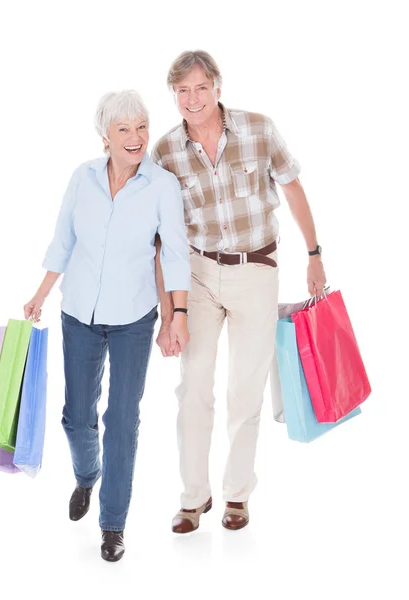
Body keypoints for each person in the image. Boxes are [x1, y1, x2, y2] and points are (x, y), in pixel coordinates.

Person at [152, 50, 327, 533]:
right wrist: (169, 313)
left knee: (244, 391)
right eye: (182, 91)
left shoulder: (259, 129)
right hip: (200, 274)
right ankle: (193, 497)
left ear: (218, 87)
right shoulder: (165, 152)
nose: (192, 99)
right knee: (193, 387)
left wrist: (314, 253)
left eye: (200, 88)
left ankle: (236, 495)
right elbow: (162, 237)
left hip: (257, 270)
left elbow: (293, 188)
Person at [24, 90, 191, 561]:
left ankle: (113, 523)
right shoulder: (83, 177)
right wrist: (40, 294)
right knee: (77, 418)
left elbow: (175, 253)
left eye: (142, 127)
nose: (136, 138)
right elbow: (63, 239)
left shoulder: (162, 185)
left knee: (122, 420)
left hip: (133, 318)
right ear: (105, 137)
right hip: (77, 311)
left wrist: (178, 315)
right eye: (124, 130)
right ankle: (86, 476)